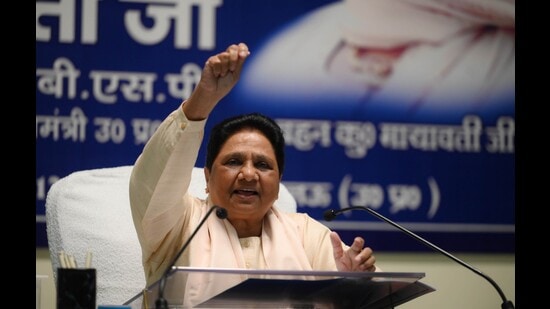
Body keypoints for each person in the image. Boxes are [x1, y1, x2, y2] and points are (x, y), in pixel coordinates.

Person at [129, 42, 379, 306]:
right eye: (234, 161)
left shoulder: (306, 234)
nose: (248, 174)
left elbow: (372, 296)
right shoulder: (179, 226)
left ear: (278, 180)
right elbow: (153, 181)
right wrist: (202, 100)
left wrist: (351, 289)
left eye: (262, 165)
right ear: (207, 177)